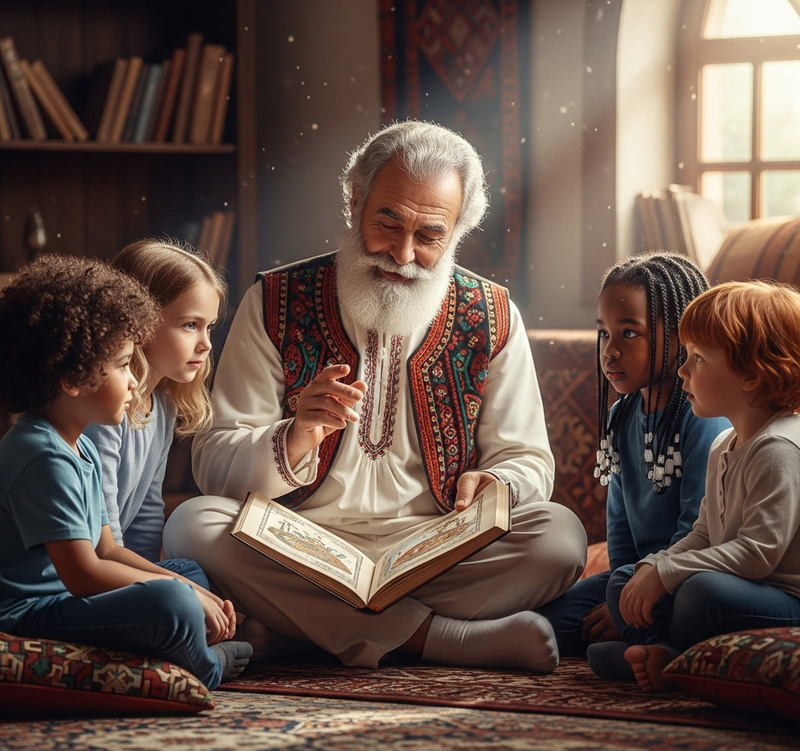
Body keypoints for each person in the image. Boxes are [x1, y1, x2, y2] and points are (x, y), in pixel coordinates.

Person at [164, 119, 588, 672]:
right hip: (297, 545)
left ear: (458, 230)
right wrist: (292, 439)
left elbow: (527, 459)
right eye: (387, 222)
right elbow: (213, 460)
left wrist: (499, 483)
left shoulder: (493, 314)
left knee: (560, 539)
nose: (403, 253)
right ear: (355, 202)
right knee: (194, 525)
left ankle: (305, 631)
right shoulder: (273, 301)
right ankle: (441, 639)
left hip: (437, 550)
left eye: (430, 235)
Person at [0, 254, 251, 689]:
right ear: (72, 379)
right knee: (173, 598)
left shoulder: (78, 445)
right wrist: (180, 596)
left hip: (69, 597)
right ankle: (206, 668)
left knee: (186, 575)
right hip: (29, 613)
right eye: (121, 366)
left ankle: (171, 642)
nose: (133, 380)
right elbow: (84, 573)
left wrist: (187, 588)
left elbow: (111, 550)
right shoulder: (40, 453)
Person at [537, 252, 730, 675]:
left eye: (630, 333)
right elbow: (620, 533)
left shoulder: (705, 419)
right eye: (604, 334)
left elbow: (700, 532)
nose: (611, 351)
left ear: (681, 337)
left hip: (683, 575)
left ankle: (662, 656)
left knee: (694, 601)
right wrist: (619, 597)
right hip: (632, 581)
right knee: (547, 621)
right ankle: (643, 646)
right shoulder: (621, 416)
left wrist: (635, 599)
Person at [607, 279, 800, 692]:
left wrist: (670, 572)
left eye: (697, 359)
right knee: (626, 577)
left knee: (702, 593)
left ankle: (669, 660)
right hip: (741, 582)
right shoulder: (723, 444)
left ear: (750, 374)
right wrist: (655, 568)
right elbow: (704, 534)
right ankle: (661, 654)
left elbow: (757, 555)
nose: (681, 371)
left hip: (783, 597)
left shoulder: (780, 447)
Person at [84, 238, 228, 568]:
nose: (206, 344)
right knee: (186, 584)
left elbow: (147, 515)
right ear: (138, 323)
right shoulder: (103, 411)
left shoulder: (163, 406)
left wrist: (150, 584)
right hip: (86, 572)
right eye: (190, 325)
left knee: (190, 573)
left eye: (210, 327)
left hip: (118, 565)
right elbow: (103, 535)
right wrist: (145, 592)